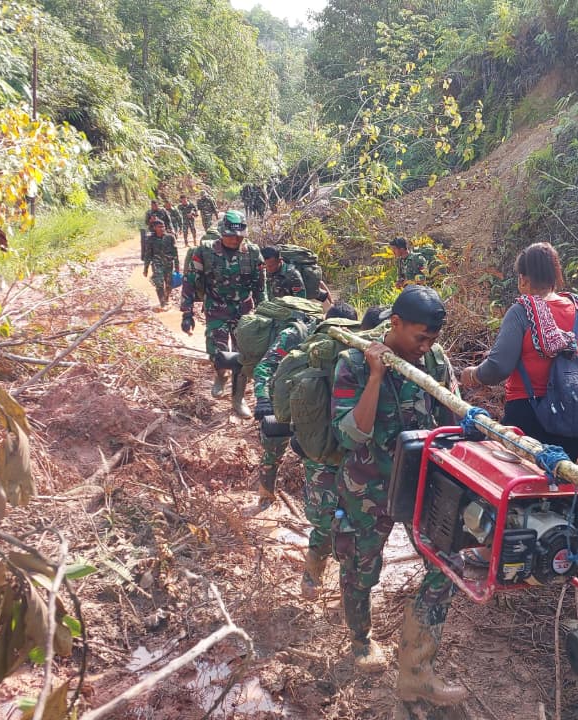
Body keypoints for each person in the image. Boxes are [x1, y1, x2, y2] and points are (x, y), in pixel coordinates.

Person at [331, 286, 465, 704]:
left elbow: (454, 416)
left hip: (420, 487)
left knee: (448, 566)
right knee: (361, 569)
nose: (426, 347)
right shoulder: (354, 362)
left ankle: (417, 671)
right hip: (367, 489)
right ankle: (360, 638)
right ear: (396, 324)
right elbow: (351, 434)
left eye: (432, 339)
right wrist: (375, 376)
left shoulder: (435, 361)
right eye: (420, 337)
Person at [458, 242, 578, 459]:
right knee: (557, 475)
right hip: (572, 418)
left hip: (529, 416)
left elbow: (498, 367)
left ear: (523, 279)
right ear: (555, 276)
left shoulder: (522, 312)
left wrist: (473, 374)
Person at [252, 302, 356, 508]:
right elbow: (265, 367)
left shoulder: (355, 345)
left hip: (320, 409)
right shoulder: (297, 335)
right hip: (284, 398)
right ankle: (266, 491)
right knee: (274, 446)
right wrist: (263, 399)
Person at [180, 209, 265, 417]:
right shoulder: (205, 252)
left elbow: (261, 288)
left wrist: (265, 315)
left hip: (244, 311)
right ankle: (221, 374)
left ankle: (238, 399)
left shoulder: (253, 253)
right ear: (221, 233)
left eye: (239, 236)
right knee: (216, 351)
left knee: (242, 356)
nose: (235, 240)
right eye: (230, 235)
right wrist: (187, 313)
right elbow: (189, 282)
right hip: (216, 309)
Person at [142, 218, 179, 310]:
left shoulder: (170, 237)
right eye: (159, 227)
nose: (162, 229)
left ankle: (166, 298)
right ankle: (162, 303)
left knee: (169, 284)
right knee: (159, 283)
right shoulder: (150, 239)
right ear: (154, 228)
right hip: (157, 264)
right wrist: (146, 268)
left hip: (169, 264)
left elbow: (175, 252)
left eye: (163, 227)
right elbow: (148, 254)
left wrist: (177, 266)